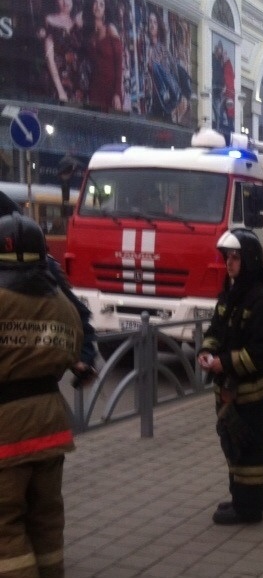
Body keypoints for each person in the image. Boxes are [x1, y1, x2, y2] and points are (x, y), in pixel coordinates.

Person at [0, 212, 83, 577]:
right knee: (48, 519)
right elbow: (73, 351)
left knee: (5, 525)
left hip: (6, 427)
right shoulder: (63, 306)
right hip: (51, 424)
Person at [197, 228, 263, 524]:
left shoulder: (262, 299)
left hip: (252, 392)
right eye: (227, 257)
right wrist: (207, 352)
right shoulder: (231, 294)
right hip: (230, 391)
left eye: (235, 257)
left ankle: (249, 509)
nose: (229, 263)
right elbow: (215, 331)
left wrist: (224, 363)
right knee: (232, 445)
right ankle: (241, 499)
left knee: (250, 449)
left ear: (248, 259)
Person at [0, 191, 97, 383]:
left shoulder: (43, 266)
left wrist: (83, 358)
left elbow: (77, 313)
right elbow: (77, 315)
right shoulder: (45, 266)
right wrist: (83, 359)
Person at [84, 0, 124, 112]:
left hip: (111, 92)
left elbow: (119, 63)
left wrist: (116, 94)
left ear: (105, 9)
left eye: (101, 4)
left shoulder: (110, 29)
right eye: (95, 3)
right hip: (94, 91)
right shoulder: (90, 33)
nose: (98, 7)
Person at [43, 0, 85, 104]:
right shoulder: (49, 20)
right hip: (58, 81)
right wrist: (60, 90)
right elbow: (50, 59)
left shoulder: (78, 23)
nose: (66, 2)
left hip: (78, 82)